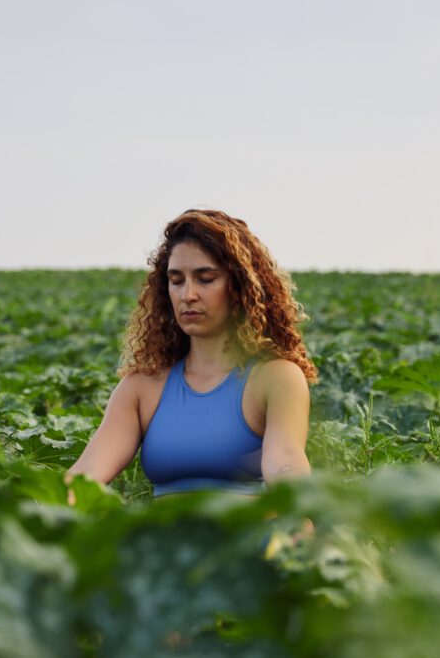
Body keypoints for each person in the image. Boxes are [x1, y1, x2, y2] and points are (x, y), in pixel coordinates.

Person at [63, 209, 318, 509]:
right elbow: (84, 476)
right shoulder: (141, 386)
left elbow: (285, 465)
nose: (188, 294)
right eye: (176, 280)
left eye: (205, 279)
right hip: (165, 550)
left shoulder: (276, 377)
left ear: (238, 288)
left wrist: (303, 531)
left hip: (248, 548)